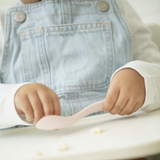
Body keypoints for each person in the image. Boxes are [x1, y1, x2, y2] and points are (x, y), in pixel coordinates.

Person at [0, 0, 160, 159]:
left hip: (121, 144)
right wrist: (11, 99)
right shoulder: (3, 23)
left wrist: (141, 75)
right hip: (38, 150)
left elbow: (156, 69)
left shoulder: (118, 6)